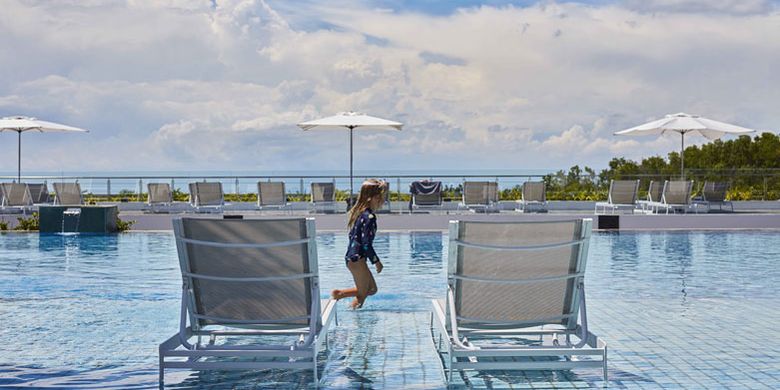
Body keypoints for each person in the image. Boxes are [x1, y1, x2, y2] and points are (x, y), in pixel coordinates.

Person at [332, 179, 387, 309]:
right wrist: (376, 261)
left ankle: (340, 294)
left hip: (354, 257)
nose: (382, 200)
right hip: (357, 259)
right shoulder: (369, 218)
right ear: (372, 198)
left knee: (372, 289)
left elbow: (353, 236)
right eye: (380, 197)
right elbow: (366, 243)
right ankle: (354, 315)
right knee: (363, 293)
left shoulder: (361, 214)